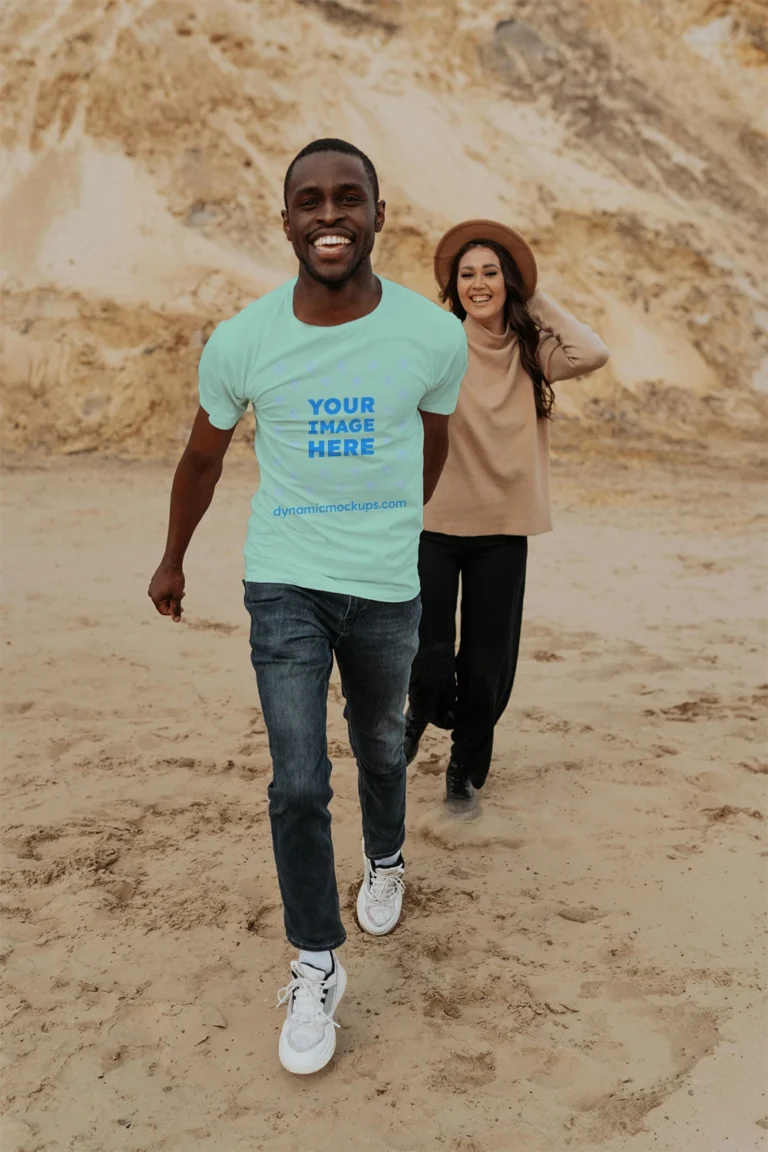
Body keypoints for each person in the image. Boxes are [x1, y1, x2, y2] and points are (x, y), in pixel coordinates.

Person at [147, 139, 467, 1075]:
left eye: (348, 199)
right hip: (283, 579)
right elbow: (202, 458)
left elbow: (432, 443)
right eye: (310, 202)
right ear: (285, 219)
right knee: (295, 779)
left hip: (384, 586)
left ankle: (386, 857)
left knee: (378, 745)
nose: (331, 216)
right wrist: (173, 559)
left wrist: (400, 526)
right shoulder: (243, 339)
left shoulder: (431, 336)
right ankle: (315, 960)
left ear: (378, 213)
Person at [404, 219, 609, 812]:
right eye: (466, 275)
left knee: (487, 663)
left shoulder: (533, 350)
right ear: (454, 286)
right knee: (430, 650)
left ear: (508, 280)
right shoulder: (439, 343)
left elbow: (592, 352)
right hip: (434, 526)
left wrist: (533, 294)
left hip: (502, 530)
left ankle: (462, 773)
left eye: (491, 272)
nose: (478, 283)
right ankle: (418, 710)